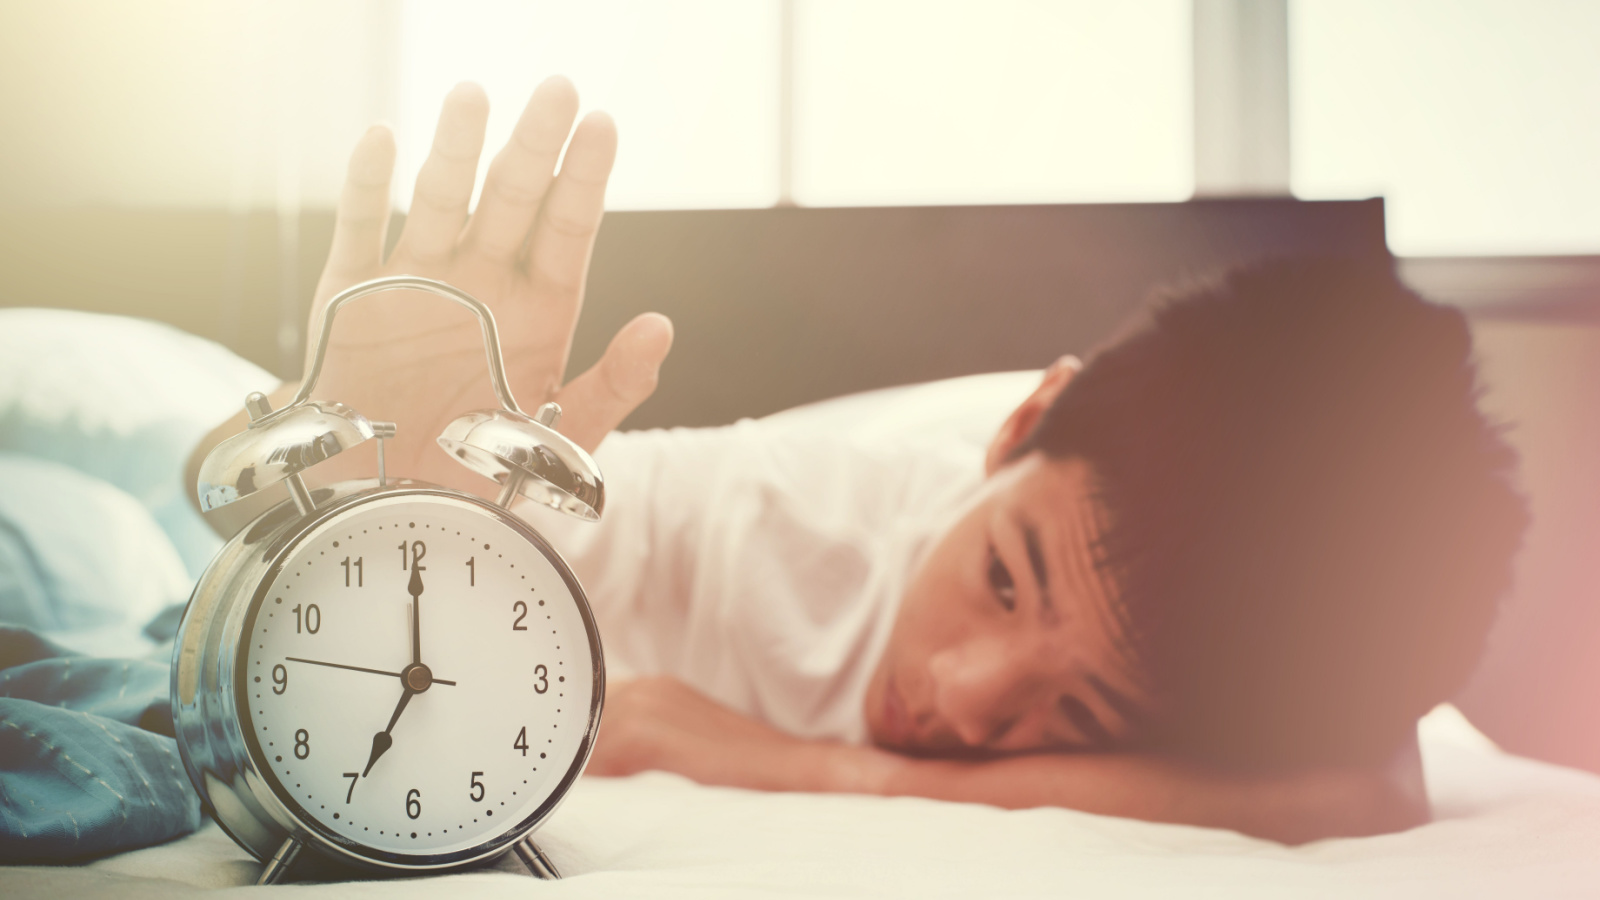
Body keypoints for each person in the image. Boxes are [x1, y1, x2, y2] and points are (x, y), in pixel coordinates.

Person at [190, 78, 1527, 845]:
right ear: (1019, 423)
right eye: (1006, 580)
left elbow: (1376, 783)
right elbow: (251, 605)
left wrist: (826, 772)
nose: (961, 700)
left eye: (1086, 717)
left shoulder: (1238, 647)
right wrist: (393, 491)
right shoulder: (759, 514)